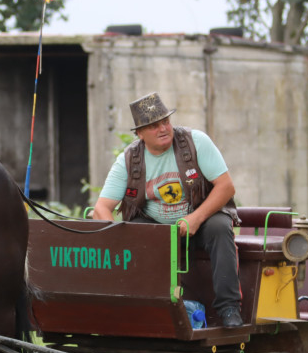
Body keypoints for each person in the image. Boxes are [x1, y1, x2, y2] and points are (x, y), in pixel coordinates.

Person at [92, 92, 244, 327]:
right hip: (157, 232)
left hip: (200, 224)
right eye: (153, 126)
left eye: (165, 121)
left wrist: (195, 218)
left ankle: (229, 309)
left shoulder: (196, 142)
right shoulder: (129, 160)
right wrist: (117, 238)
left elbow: (226, 187)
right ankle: (148, 309)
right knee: (134, 231)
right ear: (140, 134)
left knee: (220, 227)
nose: (163, 128)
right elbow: (101, 208)